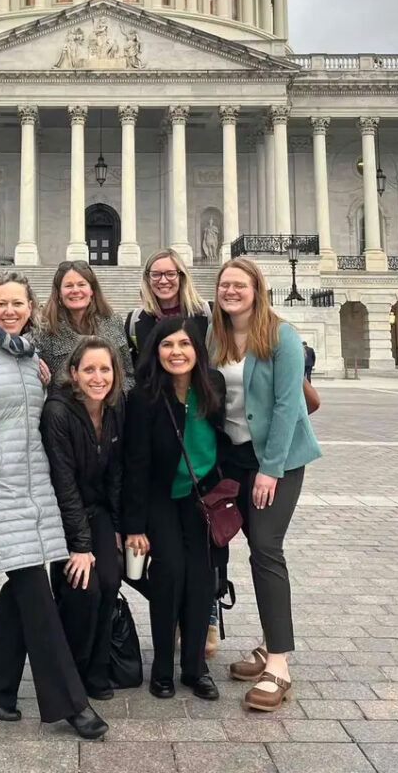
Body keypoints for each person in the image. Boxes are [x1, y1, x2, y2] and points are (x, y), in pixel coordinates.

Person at [0, 272, 109, 740]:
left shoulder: (31, 359)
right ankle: (71, 703)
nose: (10, 310)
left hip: (37, 489)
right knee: (35, 592)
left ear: (31, 308)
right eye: (2, 303)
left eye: (19, 303)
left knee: (20, 591)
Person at [209, 258, 322, 712]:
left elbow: (287, 405)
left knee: (267, 549)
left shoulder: (281, 336)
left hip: (277, 459)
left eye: (240, 285)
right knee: (251, 549)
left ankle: (279, 665)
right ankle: (268, 643)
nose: (231, 291)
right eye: (225, 285)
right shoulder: (214, 336)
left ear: (258, 290)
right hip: (233, 456)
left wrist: (270, 469)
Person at [122, 317, 237, 701]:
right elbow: (135, 463)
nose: (177, 352)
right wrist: (135, 525)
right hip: (161, 496)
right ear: (156, 352)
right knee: (169, 573)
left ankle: (194, 667)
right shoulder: (144, 396)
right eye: (167, 345)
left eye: (184, 344)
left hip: (203, 498)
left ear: (196, 350)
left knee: (203, 579)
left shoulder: (212, 386)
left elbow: (224, 440)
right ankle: (161, 668)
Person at [122, 249, 221, 657]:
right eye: (156, 274)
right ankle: (175, 625)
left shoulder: (206, 316)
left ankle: (206, 617)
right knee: (167, 561)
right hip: (157, 429)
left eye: (171, 273)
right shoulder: (136, 320)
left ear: (182, 275)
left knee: (207, 551)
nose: (163, 280)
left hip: (197, 434)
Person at [41, 337, 125, 700]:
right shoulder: (57, 412)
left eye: (104, 369)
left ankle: (97, 666)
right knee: (82, 586)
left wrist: (120, 527)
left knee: (110, 579)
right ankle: (70, 668)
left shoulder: (115, 408)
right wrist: (80, 545)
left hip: (100, 511)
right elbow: (63, 482)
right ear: (73, 374)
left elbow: (116, 474)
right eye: (89, 369)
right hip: (64, 513)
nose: (98, 377)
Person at [34, 260, 134, 392]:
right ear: (58, 292)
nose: (75, 290)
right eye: (69, 286)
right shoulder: (45, 329)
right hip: (66, 408)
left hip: (111, 407)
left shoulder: (114, 322)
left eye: (81, 284)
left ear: (92, 290)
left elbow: (128, 374)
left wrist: (116, 399)